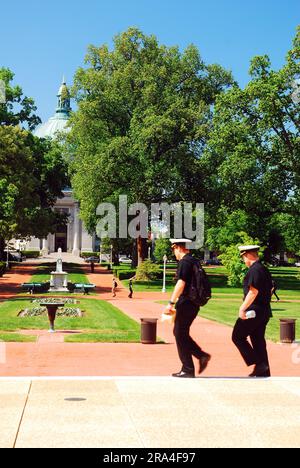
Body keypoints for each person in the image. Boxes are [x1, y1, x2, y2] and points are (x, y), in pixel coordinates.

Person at [164, 238, 211, 378]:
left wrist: (171, 303)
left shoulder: (184, 261)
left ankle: (188, 368)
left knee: (179, 333)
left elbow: (181, 283)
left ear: (178, 247)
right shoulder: (194, 260)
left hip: (187, 302)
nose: (174, 252)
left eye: (173, 249)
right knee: (180, 332)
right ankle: (200, 356)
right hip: (194, 302)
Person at [232, 245, 273, 378]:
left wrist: (242, 308)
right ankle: (264, 371)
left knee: (237, 336)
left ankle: (258, 363)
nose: (243, 260)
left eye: (243, 256)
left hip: (254, 311)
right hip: (264, 311)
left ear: (248, 255)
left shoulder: (254, 270)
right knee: (258, 340)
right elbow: (271, 288)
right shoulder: (263, 269)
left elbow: (253, 291)